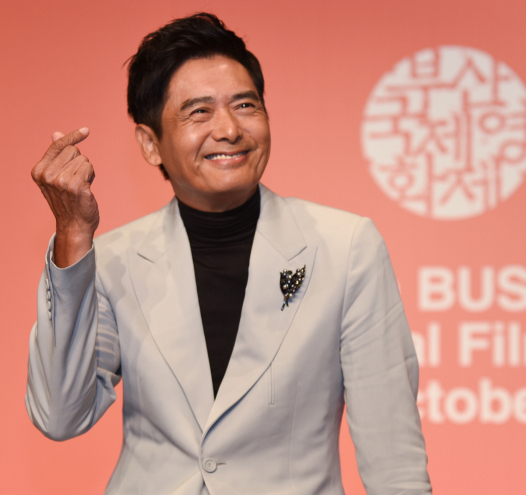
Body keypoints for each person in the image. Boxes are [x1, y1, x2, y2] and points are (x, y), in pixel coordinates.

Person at [26, 12, 432, 495]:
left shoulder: (345, 247)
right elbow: (60, 416)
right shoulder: (114, 260)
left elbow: (394, 460)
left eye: (245, 105)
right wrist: (73, 235)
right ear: (150, 144)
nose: (229, 129)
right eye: (199, 112)